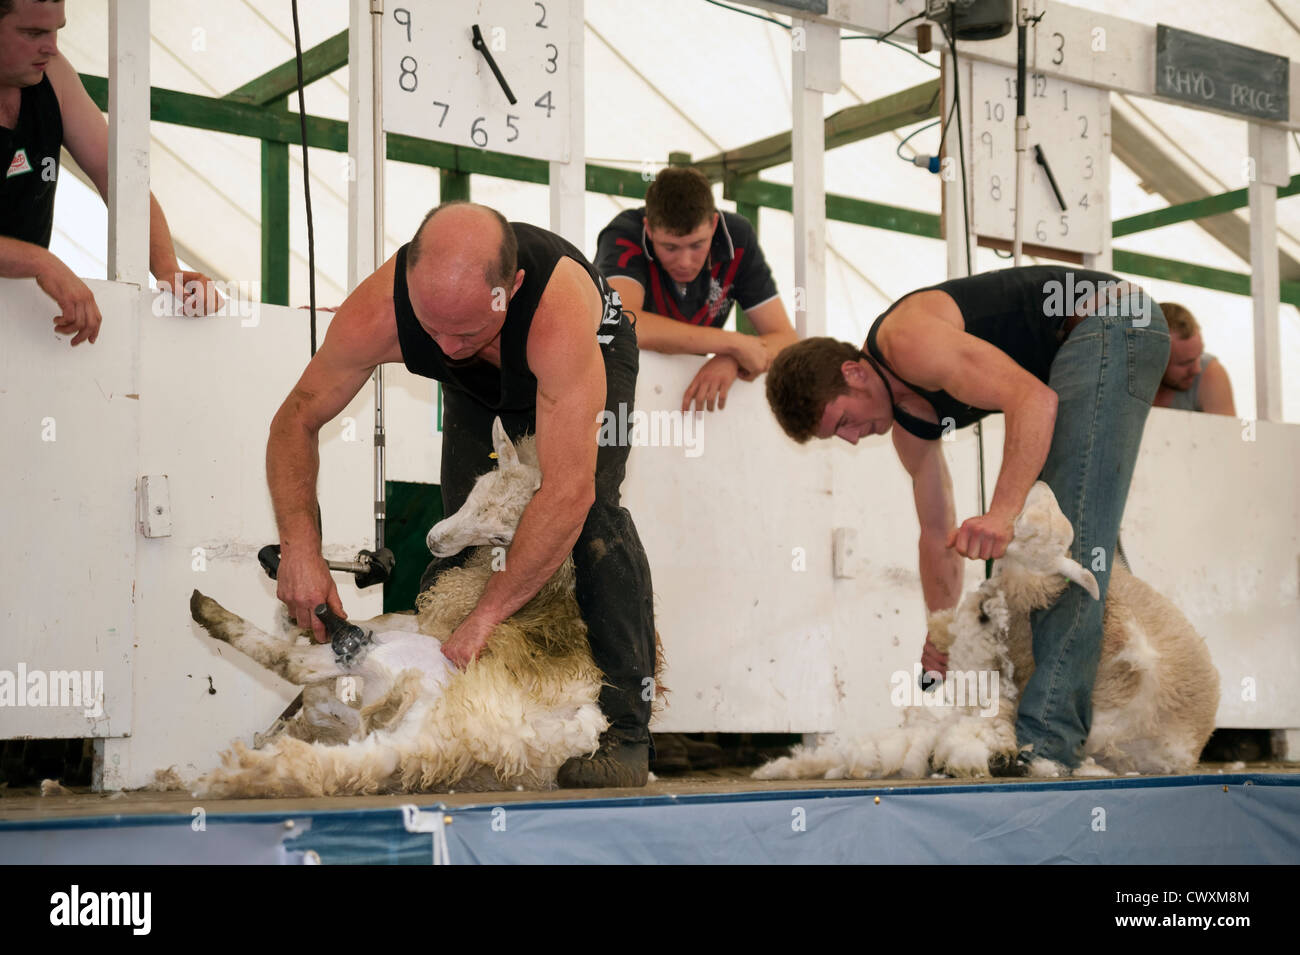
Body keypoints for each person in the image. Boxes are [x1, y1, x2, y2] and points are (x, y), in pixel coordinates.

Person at [267, 201, 656, 788]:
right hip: (481, 385)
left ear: (512, 287)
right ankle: (454, 714)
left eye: (466, 328)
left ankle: (627, 732)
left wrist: (486, 618)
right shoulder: (384, 311)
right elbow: (296, 419)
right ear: (411, 286)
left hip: (587, 353)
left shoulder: (557, 312)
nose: (446, 346)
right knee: (464, 534)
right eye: (430, 329)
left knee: (594, 519)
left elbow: (566, 495)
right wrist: (300, 547)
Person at [764, 266, 1171, 775]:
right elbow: (937, 536)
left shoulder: (908, 342)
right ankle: (1126, 731)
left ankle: (1044, 749)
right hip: (1087, 340)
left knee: (1056, 549)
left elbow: (1032, 400)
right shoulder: (909, 427)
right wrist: (942, 634)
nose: (850, 439)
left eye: (842, 421)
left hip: (1112, 320)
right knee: (1074, 537)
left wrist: (1002, 514)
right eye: (837, 436)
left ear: (854, 373)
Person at [0, 0, 219, 347]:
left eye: (58, 30)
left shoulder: (53, 74)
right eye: (33, 33)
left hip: (20, 324)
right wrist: (40, 262)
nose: (52, 47)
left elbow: (119, 180)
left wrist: (167, 270)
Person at [595, 166, 798, 412]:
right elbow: (625, 322)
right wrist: (731, 344)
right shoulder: (624, 233)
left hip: (689, 401)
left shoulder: (738, 238)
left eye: (697, 245)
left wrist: (732, 360)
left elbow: (786, 339)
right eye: (670, 247)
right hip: (617, 396)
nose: (684, 262)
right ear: (648, 229)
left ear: (714, 224)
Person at [1153, 302, 1235, 415]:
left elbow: (1227, 432)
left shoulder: (1210, 373)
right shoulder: (1126, 377)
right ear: (1153, 361)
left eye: (1199, 355)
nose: (1197, 369)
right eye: (1184, 363)